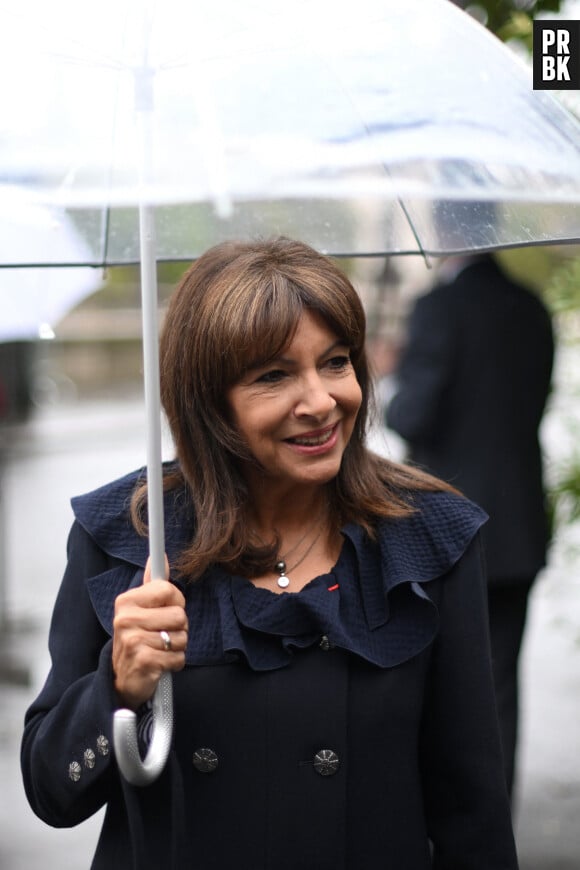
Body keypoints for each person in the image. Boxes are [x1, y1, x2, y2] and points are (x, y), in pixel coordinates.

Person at [21, 239, 518, 869]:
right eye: (274, 376)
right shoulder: (127, 537)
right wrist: (117, 687)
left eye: (336, 362)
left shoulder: (427, 537)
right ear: (209, 402)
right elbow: (50, 790)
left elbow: (472, 814)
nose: (320, 401)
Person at [386, 253, 554, 802]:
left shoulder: (438, 307)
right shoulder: (530, 306)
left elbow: (412, 415)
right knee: (499, 682)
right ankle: (491, 826)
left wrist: (394, 375)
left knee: (436, 683)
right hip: (520, 525)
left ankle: (440, 827)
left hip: (445, 527)